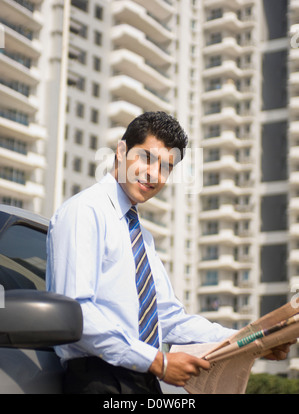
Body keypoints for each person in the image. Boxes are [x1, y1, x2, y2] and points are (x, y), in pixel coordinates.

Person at [46, 111, 293, 394]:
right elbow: (77, 312)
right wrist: (158, 361)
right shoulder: (84, 212)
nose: (154, 174)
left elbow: (171, 320)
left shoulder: (142, 237)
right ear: (121, 150)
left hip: (145, 379)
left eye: (166, 167)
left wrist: (250, 342)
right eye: (147, 158)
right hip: (100, 379)